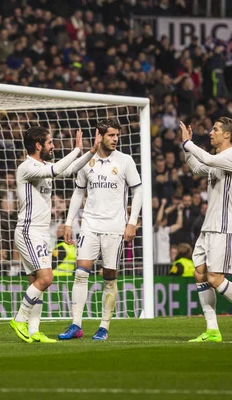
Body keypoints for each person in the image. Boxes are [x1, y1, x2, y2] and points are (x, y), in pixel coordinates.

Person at [9, 126, 100, 343]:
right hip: (28, 231)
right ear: (38, 145)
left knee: (36, 281)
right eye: (50, 142)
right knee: (46, 279)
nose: (53, 146)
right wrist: (77, 149)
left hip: (41, 233)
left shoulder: (44, 165)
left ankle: (34, 331)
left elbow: (69, 170)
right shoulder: (26, 167)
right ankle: (19, 319)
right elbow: (57, 170)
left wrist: (91, 151)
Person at [179, 117, 232, 343]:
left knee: (215, 278)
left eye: (215, 129)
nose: (210, 132)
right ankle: (212, 329)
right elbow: (199, 168)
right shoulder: (219, 160)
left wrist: (189, 143)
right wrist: (186, 149)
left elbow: (205, 158)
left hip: (225, 226)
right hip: (209, 226)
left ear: (227, 135)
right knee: (199, 273)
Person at [58, 119, 143, 341]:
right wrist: (68, 223)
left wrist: (132, 221)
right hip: (90, 224)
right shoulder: (88, 161)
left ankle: (104, 326)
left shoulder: (125, 161)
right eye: (111, 135)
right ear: (99, 135)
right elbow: (78, 193)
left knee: (109, 277)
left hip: (115, 227)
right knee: (80, 273)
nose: (115, 139)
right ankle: (76, 324)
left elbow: (138, 191)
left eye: (117, 135)